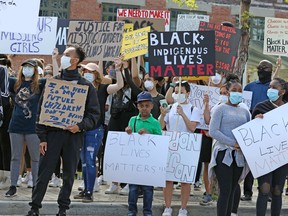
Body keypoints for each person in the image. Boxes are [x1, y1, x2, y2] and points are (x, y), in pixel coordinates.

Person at [26, 45, 100, 216]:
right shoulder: (53, 83)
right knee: (43, 174)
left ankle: (63, 209)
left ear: (75, 61)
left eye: (67, 55)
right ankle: (34, 207)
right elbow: (41, 111)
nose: (63, 57)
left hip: (73, 137)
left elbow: (94, 115)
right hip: (51, 136)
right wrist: (42, 137)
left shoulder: (86, 86)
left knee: (68, 175)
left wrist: (80, 126)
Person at [74, 58, 124, 202]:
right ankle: (86, 189)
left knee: (89, 160)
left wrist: (119, 69)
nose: (86, 73)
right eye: (84, 71)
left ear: (96, 74)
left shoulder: (103, 89)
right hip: (81, 129)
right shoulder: (80, 87)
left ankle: (89, 192)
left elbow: (119, 85)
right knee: (84, 161)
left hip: (95, 129)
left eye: (89, 71)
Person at [209, 81, 250, 216]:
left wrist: (258, 119)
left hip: (238, 156)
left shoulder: (245, 112)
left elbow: (248, 131)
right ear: (228, 91)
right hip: (223, 153)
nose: (237, 92)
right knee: (225, 189)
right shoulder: (220, 109)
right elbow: (213, 131)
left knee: (233, 189)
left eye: (239, 90)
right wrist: (233, 143)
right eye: (234, 90)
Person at [159, 81, 201, 216]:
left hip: (187, 146)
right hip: (171, 145)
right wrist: (162, 115)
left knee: (185, 179)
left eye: (181, 92)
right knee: (168, 179)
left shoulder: (194, 109)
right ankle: (168, 207)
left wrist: (183, 114)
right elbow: (161, 126)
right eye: (176, 92)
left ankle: (183, 208)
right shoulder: (170, 107)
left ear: (188, 93)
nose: (178, 95)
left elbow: (193, 128)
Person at [5, 59, 45, 197]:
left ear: (35, 70)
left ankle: (36, 186)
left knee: (35, 158)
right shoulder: (13, 83)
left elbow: (57, 81)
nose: (27, 69)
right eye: (25, 66)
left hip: (33, 127)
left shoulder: (40, 84)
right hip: (16, 125)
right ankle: (13, 185)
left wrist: (56, 59)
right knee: (15, 157)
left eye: (31, 67)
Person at [254, 78, 288, 216]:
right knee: (264, 189)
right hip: (264, 156)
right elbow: (251, 134)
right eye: (270, 87)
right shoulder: (260, 107)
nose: (270, 90)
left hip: (282, 157)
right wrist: (257, 121)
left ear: (282, 92)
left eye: (274, 88)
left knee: (277, 190)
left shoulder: (286, 109)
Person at [241, 60, 274, 201]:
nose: (261, 70)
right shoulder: (249, 87)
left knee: (267, 163)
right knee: (250, 162)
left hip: (270, 130)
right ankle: (247, 192)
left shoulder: (274, 88)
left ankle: (266, 192)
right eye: (259, 68)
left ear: (271, 70)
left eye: (265, 68)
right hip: (252, 128)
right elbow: (245, 106)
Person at [125, 91, 162, 216]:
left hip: (149, 162)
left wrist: (148, 134)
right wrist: (128, 131)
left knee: (147, 188)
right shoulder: (132, 120)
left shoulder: (155, 123)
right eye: (141, 106)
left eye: (147, 105)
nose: (144, 108)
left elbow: (159, 141)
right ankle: (132, 210)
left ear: (151, 106)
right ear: (137, 106)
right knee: (133, 188)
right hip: (135, 160)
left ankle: (147, 211)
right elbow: (128, 138)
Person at [0, 54, 12, 190]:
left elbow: (4, 94)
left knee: (5, 146)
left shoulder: (2, 70)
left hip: (4, 114)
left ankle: (6, 177)